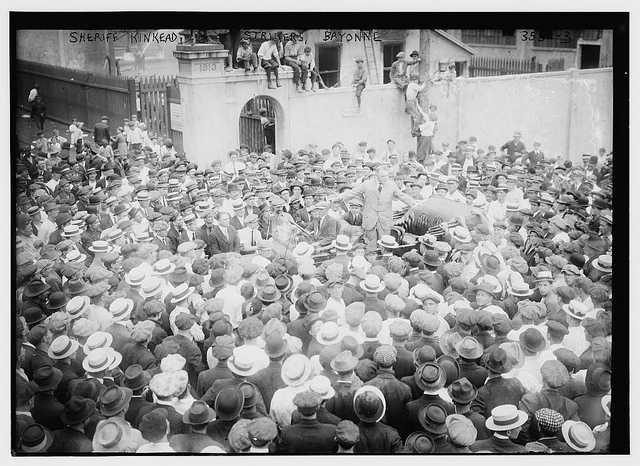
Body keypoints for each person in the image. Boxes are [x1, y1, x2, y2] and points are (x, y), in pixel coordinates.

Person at [340, 165, 413, 250]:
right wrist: (340, 197)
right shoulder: (367, 184)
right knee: (371, 245)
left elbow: (401, 195)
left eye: (387, 176)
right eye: (383, 176)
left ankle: (384, 260)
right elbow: (353, 192)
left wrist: (413, 203)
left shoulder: (391, 184)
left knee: (385, 245)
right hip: (370, 220)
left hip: (385, 220)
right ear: (376, 175)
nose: (385, 178)